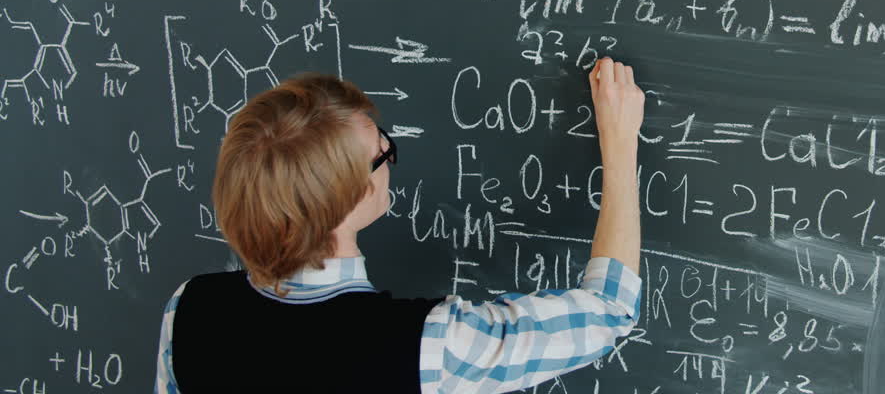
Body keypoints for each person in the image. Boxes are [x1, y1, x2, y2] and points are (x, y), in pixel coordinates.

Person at [154, 57, 645, 393]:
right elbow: (608, 311)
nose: (389, 156)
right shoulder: (429, 346)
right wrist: (620, 140)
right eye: (381, 152)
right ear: (359, 194)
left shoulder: (190, 309)